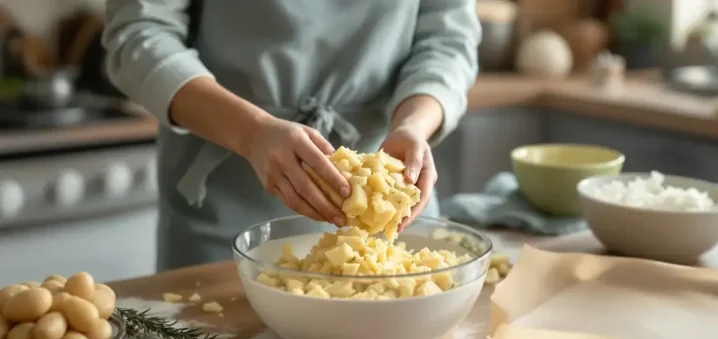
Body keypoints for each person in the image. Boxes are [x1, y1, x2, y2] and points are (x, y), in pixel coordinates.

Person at [103, 0, 481, 272]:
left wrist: (413, 125)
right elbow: (139, 34)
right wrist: (250, 132)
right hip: (226, 206)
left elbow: (448, 40)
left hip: (389, 218)